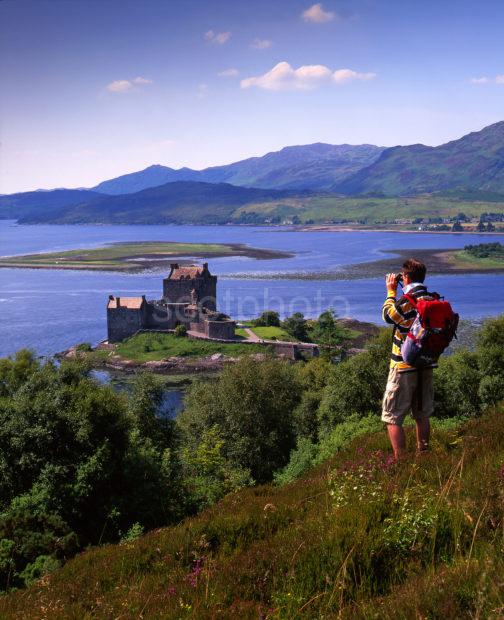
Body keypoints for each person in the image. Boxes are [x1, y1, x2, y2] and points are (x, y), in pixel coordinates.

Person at [381, 258, 436, 460]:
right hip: (426, 364)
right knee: (422, 414)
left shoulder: (405, 302)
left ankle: (401, 462)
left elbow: (387, 316)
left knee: (392, 417)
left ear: (405, 277)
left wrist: (390, 291)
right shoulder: (431, 299)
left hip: (403, 367)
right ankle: (424, 455)